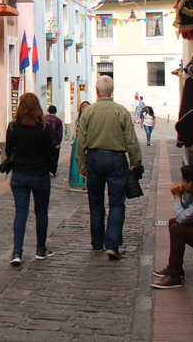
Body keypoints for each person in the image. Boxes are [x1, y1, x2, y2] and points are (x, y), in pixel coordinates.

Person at [76, 76, 142, 260]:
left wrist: (81, 164)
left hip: (94, 158)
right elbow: (131, 140)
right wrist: (136, 162)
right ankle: (112, 244)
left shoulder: (89, 111)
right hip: (117, 159)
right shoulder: (121, 111)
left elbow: (80, 141)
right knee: (117, 203)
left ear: (97, 91)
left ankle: (97, 243)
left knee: (96, 204)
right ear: (112, 91)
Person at [5, 93, 58, 265]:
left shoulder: (13, 127)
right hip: (40, 174)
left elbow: (8, 152)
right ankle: (41, 249)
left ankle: (17, 252)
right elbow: (49, 152)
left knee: (21, 212)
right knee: (41, 212)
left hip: (19, 174)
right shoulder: (44, 127)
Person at [153, 165, 193, 288]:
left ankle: (174, 276)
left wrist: (177, 197)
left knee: (177, 228)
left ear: (191, 183)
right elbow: (185, 211)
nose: (181, 184)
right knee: (173, 222)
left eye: (183, 181)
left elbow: (183, 217)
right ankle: (174, 267)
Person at [68, 101, 91, 191]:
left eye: (87, 107)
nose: (85, 109)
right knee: (77, 161)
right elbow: (75, 132)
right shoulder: (78, 120)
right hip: (78, 142)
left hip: (88, 142)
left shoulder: (92, 119)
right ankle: (77, 182)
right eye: (83, 107)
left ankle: (87, 182)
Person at [44, 105, 64, 173]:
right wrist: (59, 143)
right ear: (55, 111)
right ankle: (53, 170)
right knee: (55, 157)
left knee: (46, 156)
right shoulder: (58, 120)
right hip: (54, 141)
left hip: (45, 142)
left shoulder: (44, 119)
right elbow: (60, 132)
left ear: (48, 111)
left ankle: (46, 169)